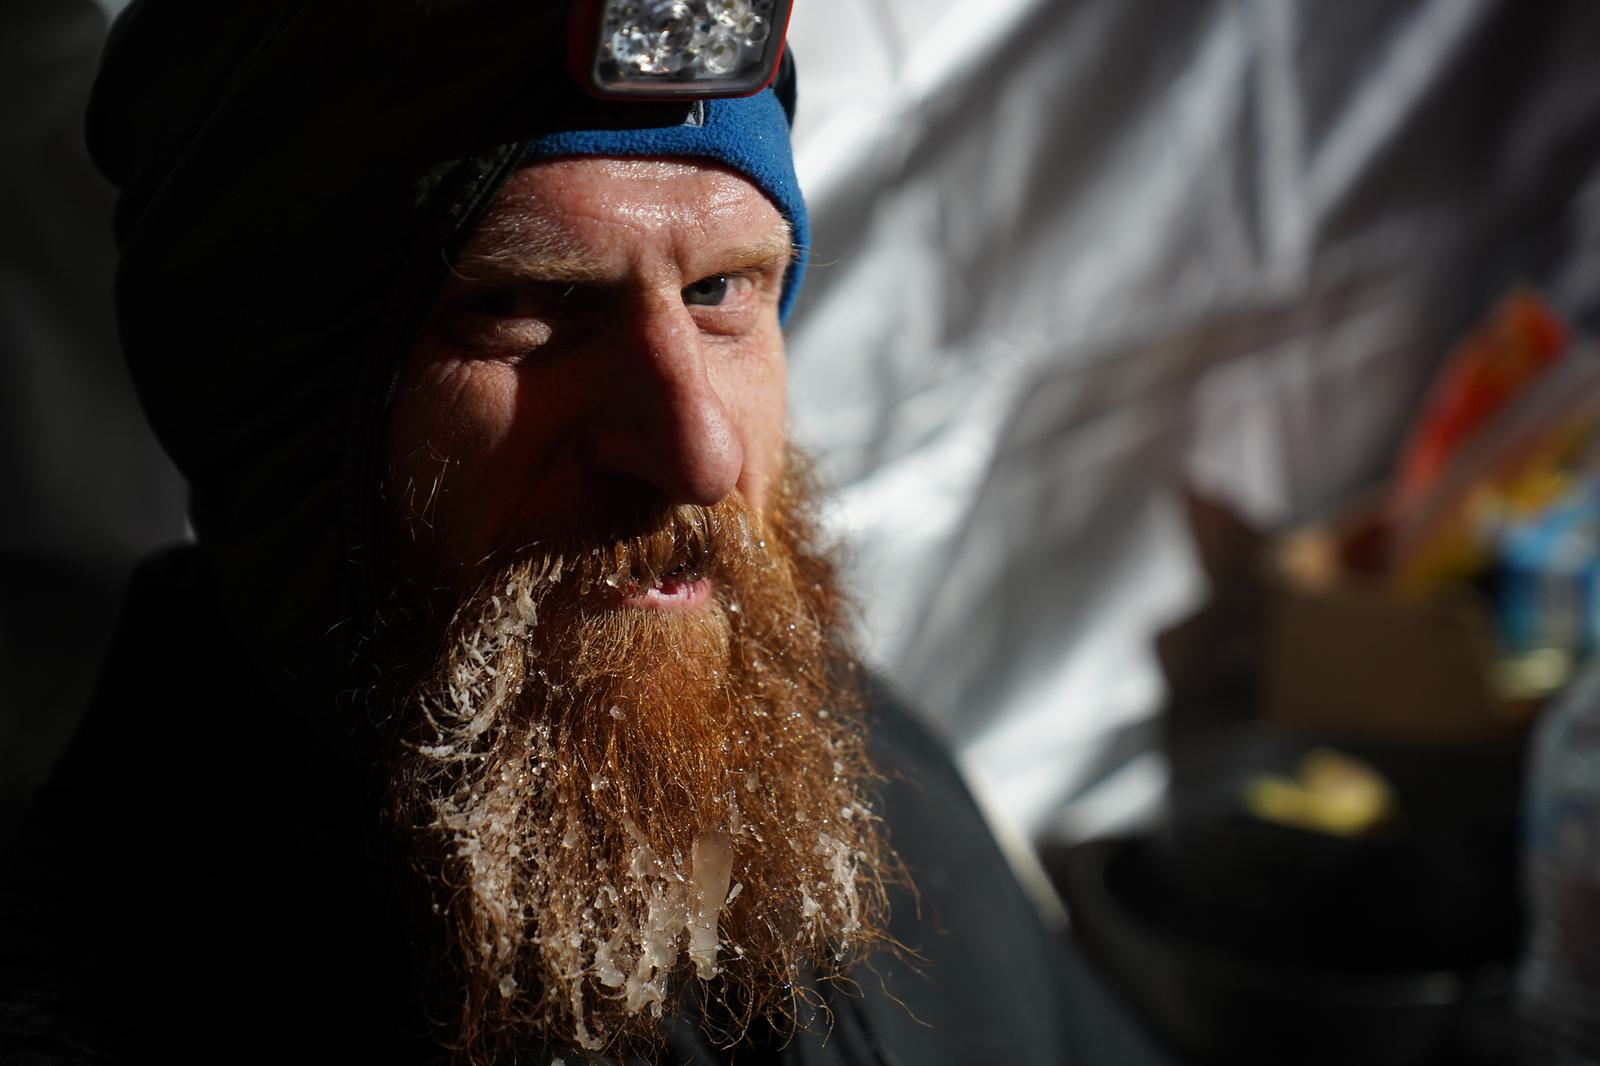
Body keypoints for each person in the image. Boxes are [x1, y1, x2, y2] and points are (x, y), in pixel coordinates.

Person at [0, 2, 1076, 1062]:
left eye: (719, 290)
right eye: (529, 304)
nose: (698, 453)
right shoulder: (103, 989)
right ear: (274, 402)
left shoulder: (853, 762)